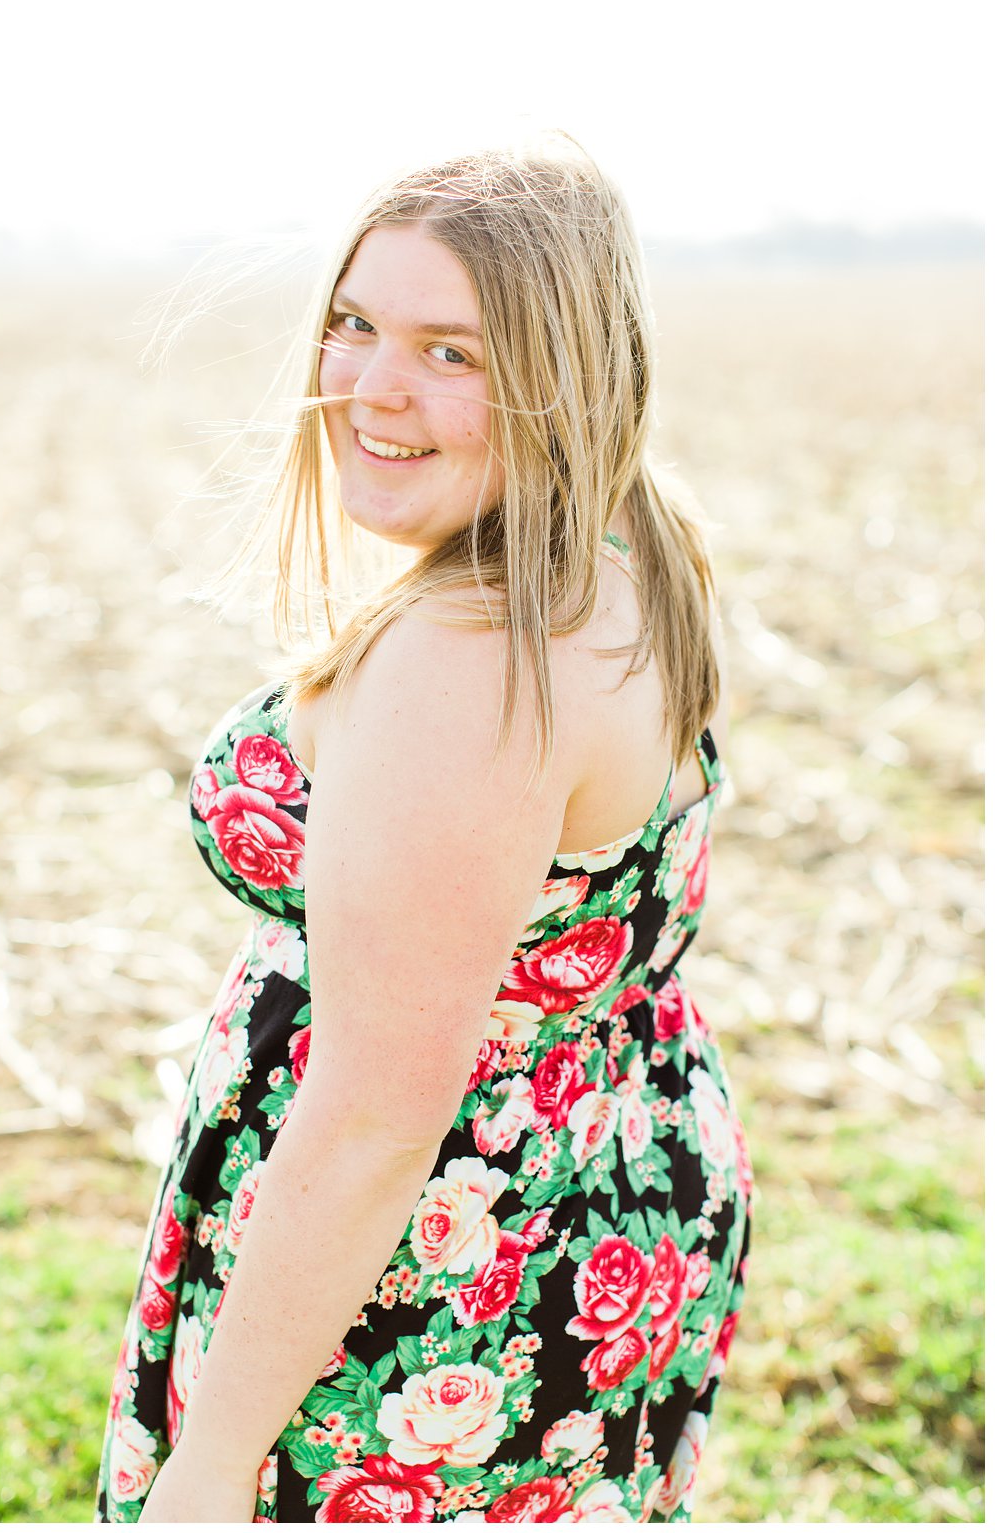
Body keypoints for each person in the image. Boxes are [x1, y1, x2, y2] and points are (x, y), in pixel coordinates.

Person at [96, 140, 753, 1522]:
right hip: (603, 1194)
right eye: (354, 323)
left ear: (563, 374)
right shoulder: (635, 540)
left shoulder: (470, 657)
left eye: (451, 351)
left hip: (432, 1275)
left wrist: (211, 1466)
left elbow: (380, 1113)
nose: (370, 388)